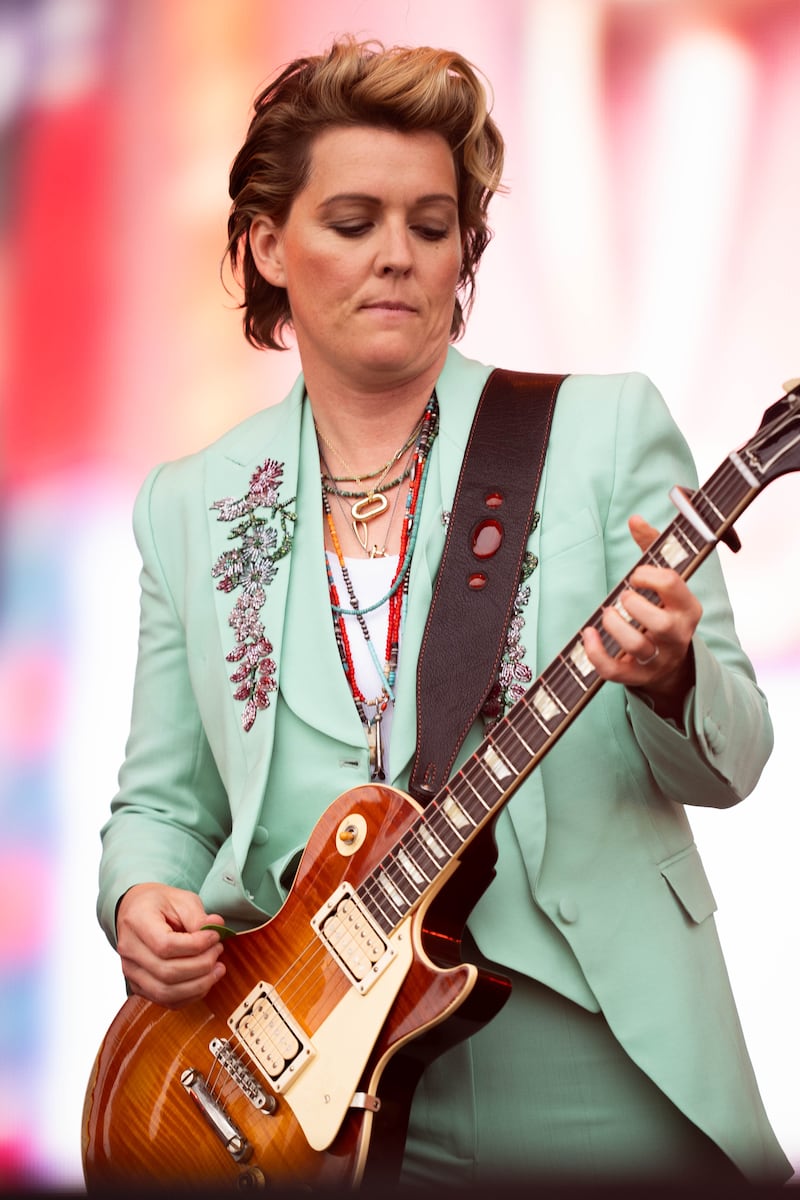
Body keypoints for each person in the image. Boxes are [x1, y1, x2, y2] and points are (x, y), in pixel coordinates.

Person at [95, 36, 792, 1189]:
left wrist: (673, 676)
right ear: (267, 245)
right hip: (300, 1089)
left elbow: (734, 758)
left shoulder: (599, 432)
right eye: (352, 220)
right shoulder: (192, 504)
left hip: (587, 1041)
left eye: (430, 225)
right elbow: (163, 804)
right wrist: (138, 896)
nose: (397, 258)